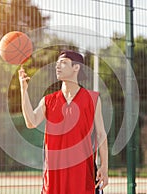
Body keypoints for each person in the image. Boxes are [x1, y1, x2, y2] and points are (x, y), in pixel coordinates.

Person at [19, 50, 108, 194]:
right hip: (54, 176)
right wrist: (24, 90)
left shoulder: (92, 99)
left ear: (76, 67)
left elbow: (101, 134)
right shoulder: (48, 100)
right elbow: (31, 122)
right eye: (57, 63)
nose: (58, 66)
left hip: (83, 174)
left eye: (63, 63)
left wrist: (104, 166)